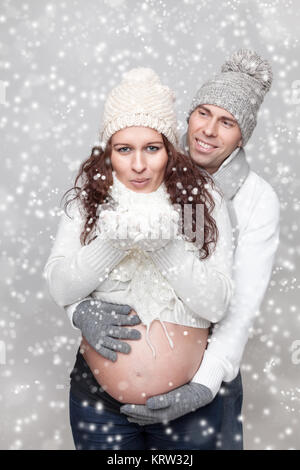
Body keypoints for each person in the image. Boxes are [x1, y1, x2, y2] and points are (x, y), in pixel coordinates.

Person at [44, 68, 234, 450]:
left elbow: (216, 304)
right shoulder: (89, 200)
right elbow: (59, 283)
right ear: (108, 151)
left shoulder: (201, 200)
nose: (138, 166)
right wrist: (112, 244)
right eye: (124, 149)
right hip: (100, 406)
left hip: (188, 407)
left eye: (152, 147)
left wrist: (165, 246)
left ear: (170, 149)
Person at [111, 49, 280, 450]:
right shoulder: (145, 165)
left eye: (228, 122)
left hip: (207, 382)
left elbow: (240, 305)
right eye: (203, 112)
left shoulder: (257, 200)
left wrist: (201, 385)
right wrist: (83, 311)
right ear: (189, 114)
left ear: (242, 136)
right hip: (125, 370)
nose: (208, 130)